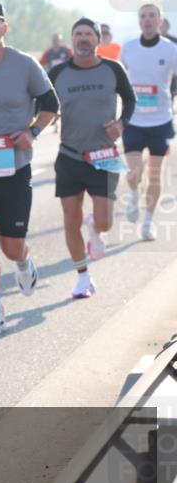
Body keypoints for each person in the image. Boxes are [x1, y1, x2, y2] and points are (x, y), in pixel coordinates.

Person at [0, 1, 59, 335]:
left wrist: (31, 132)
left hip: (14, 169)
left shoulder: (24, 64)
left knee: (11, 245)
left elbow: (51, 104)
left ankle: (23, 262)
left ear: (3, 28)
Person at [49, 18, 136, 298]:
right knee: (70, 219)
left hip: (104, 155)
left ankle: (95, 231)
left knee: (105, 222)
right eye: (78, 34)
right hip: (70, 155)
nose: (83, 38)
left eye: (88, 34)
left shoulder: (112, 69)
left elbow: (130, 99)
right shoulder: (58, 72)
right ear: (72, 40)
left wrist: (122, 124)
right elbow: (42, 103)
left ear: (98, 40)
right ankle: (82, 277)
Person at [119, 3, 177, 241]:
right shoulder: (129, 48)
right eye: (143, 16)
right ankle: (133, 194)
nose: (147, 20)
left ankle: (148, 223)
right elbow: (119, 81)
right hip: (134, 120)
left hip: (161, 121)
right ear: (139, 20)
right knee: (135, 171)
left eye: (152, 16)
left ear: (160, 20)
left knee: (154, 175)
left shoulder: (170, 49)